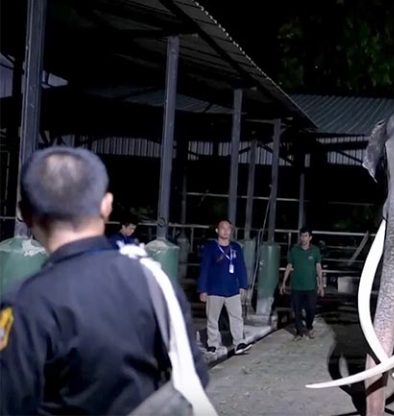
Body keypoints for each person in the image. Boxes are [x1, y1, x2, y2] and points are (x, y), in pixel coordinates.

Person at [0, 146, 208, 415]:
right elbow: (194, 377)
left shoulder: (24, 303)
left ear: (25, 214)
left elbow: (10, 402)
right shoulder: (154, 280)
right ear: (106, 206)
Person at [197, 219, 252, 355]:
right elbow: (204, 269)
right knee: (212, 318)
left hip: (232, 289)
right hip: (214, 290)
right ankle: (212, 343)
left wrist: (243, 285)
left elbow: (241, 267)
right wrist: (202, 289)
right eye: (223, 228)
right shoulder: (210, 247)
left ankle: (239, 342)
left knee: (236, 317)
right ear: (217, 230)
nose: (226, 231)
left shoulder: (236, 247)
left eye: (229, 228)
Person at [280, 227, 325, 340]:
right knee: (297, 310)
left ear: (310, 237)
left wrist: (321, 284)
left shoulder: (315, 251)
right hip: (296, 286)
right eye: (302, 236)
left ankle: (309, 327)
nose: (303, 238)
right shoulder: (294, 250)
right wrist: (284, 282)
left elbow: (318, 267)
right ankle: (299, 332)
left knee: (311, 309)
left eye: (306, 236)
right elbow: (289, 266)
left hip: (310, 286)